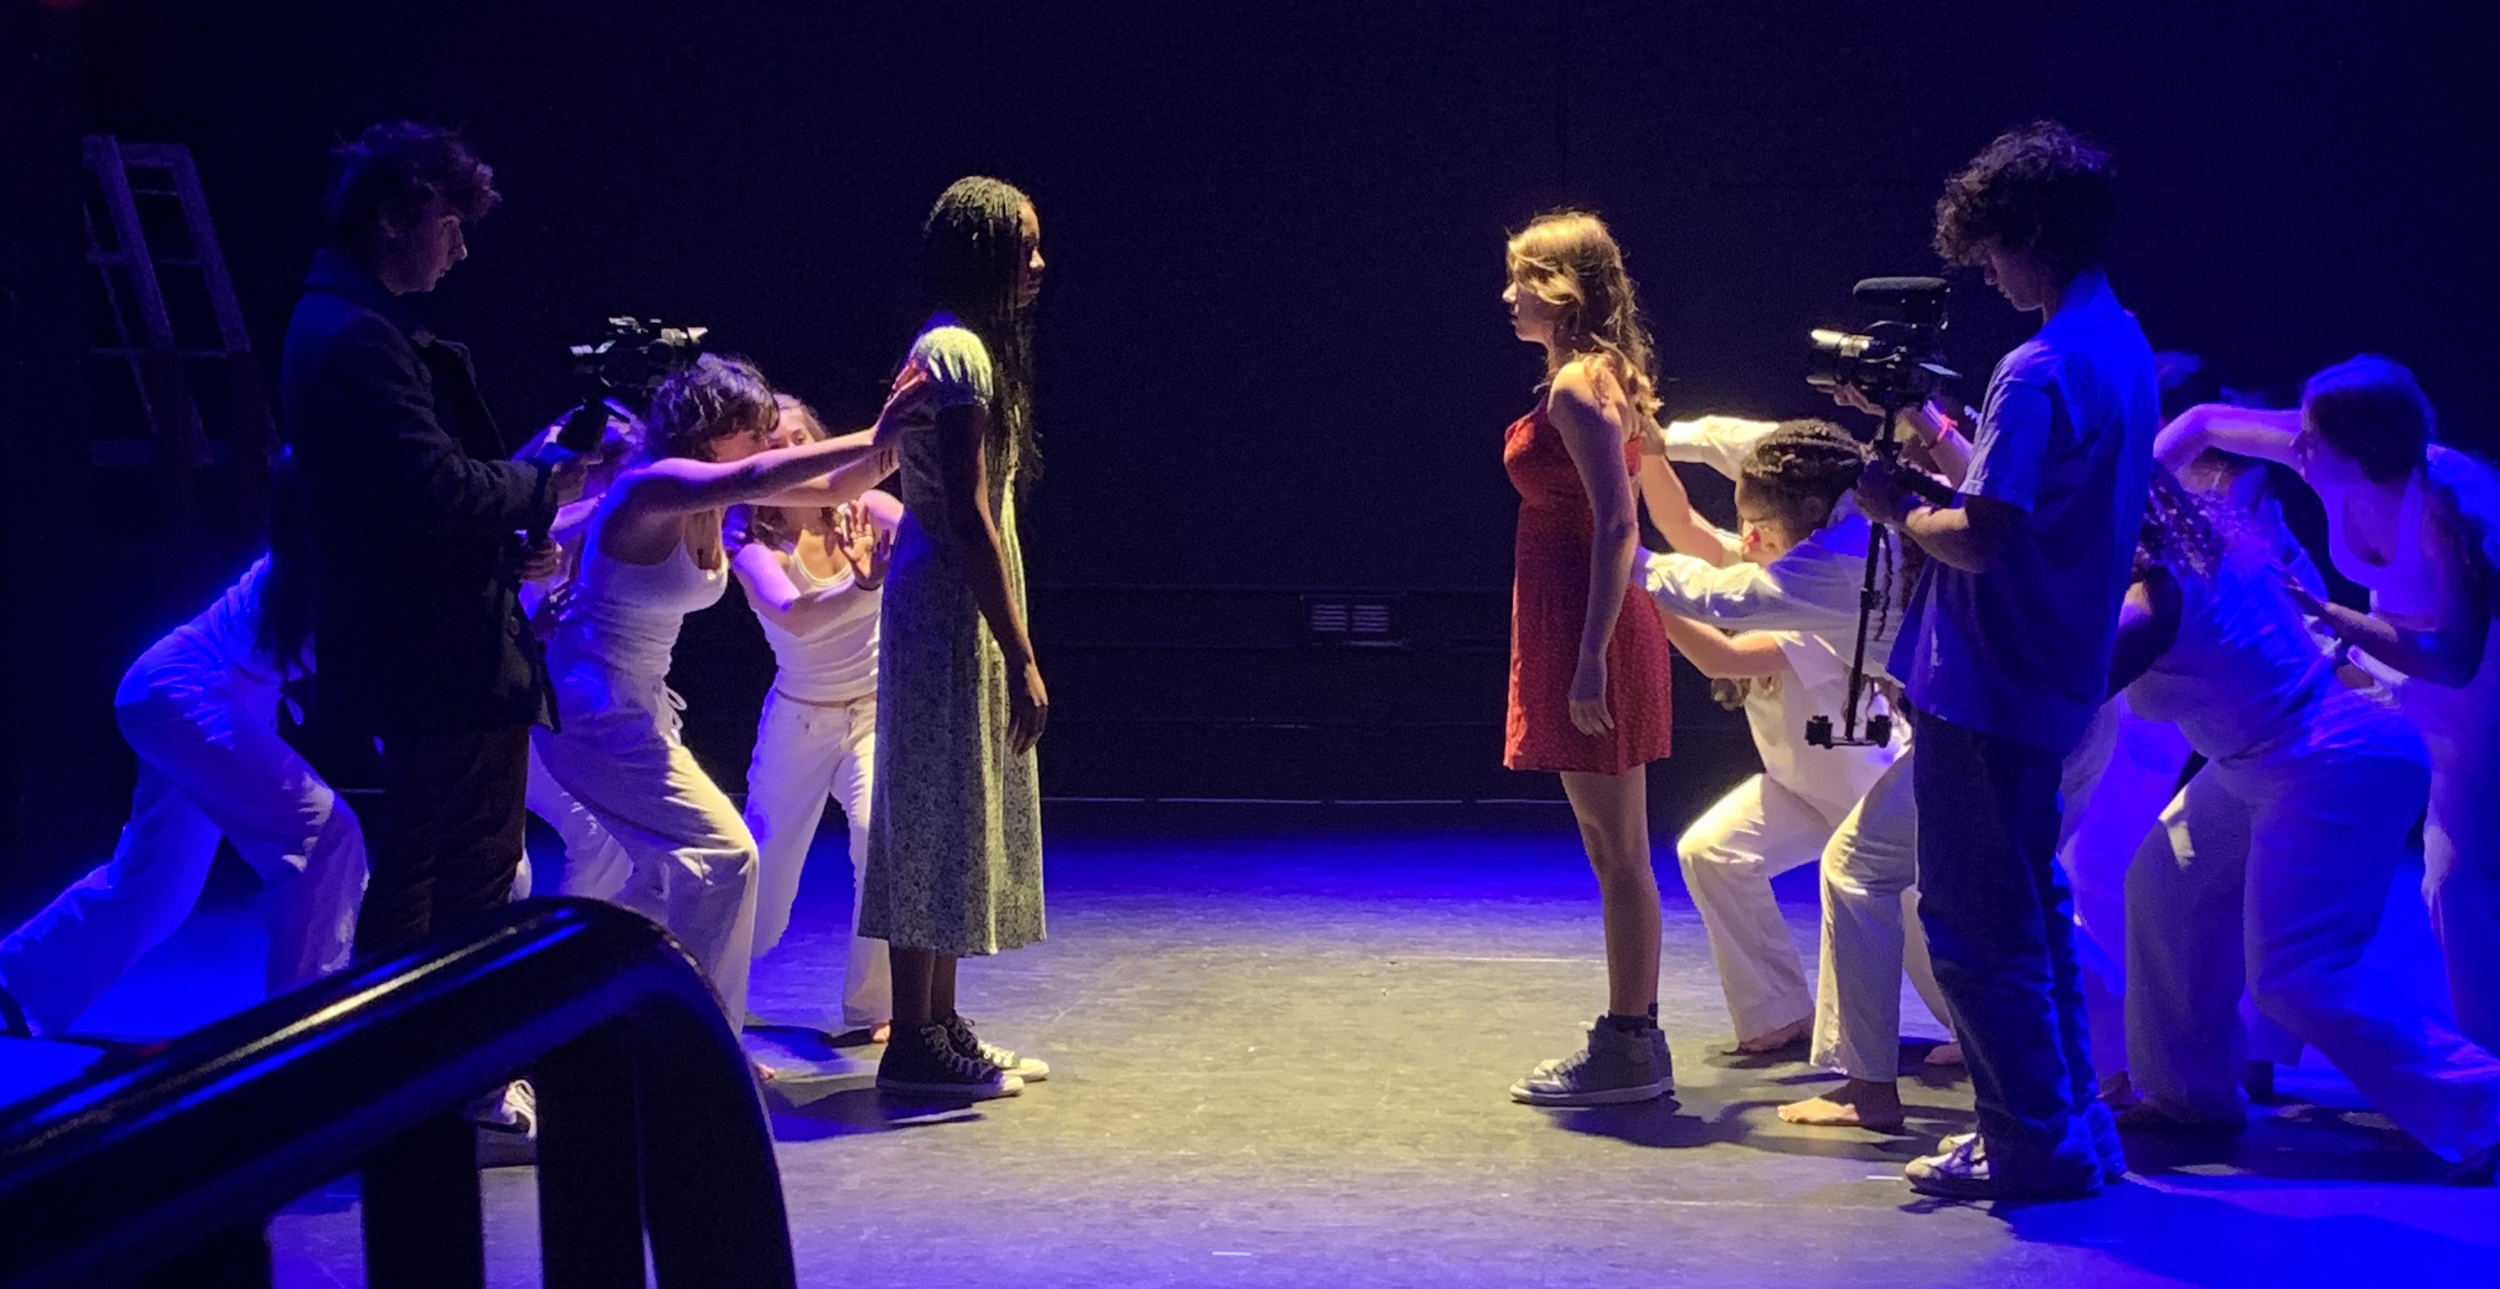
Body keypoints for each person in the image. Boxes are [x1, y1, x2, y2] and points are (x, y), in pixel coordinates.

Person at [1850, 121, 2158, 1198]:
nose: (1987, 271)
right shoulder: (2121, 347)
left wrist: (1895, 506)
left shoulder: (2037, 368)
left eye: (1990, 250)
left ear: (2030, 230)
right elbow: (2029, 512)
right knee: (2033, 913)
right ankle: (2070, 1125)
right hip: (2050, 675)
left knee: (1977, 927)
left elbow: (1980, 537)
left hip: (1985, 681)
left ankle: (2029, 1141)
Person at [2111, 471, 2500, 1182]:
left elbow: (2077, 684)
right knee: (2167, 882)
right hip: (2264, 757)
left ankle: (2486, 1105)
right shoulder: (2198, 544)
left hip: (2330, 755)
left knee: (2299, 974)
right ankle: (2188, 1094)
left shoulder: (2158, 590)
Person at [532, 355, 912, 1039]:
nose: (771, 444)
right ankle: (707, 1046)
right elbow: (757, 477)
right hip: (592, 704)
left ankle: (576, 1001)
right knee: (728, 858)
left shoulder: (713, 497)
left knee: (662, 879)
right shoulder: (656, 484)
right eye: (757, 430)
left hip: (636, 703)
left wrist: (899, 435)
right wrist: (883, 428)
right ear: (714, 432)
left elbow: (829, 481)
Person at [278, 121, 584, 970]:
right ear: (392, 215)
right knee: (471, 879)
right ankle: (462, 1087)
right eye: (449, 225)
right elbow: (433, 489)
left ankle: (406, 1076)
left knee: (415, 865)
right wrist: (545, 484)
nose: (458, 251)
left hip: (415, 654)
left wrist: (502, 535)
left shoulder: (337, 321)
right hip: (442, 663)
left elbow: (408, 501)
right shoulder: (359, 337)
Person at [2157, 356, 2500, 1056]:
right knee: (2284, 814)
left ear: (2361, 450)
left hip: (2474, 696)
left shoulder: (2445, 507)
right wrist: (2136, 502)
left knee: (2455, 881)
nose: (2297, 448)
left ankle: (2482, 1076)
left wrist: (2328, 613)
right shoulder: (2329, 452)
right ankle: (2257, 1051)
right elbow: (2200, 424)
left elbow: (2453, 658)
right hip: (2389, 667)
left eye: (2313, 441)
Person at [1633, 416, 1955, 1130]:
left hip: (1859, 776)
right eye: (1741, 526)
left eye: (1757, 523)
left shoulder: (1817, 591)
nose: (1743, 538)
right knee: (1713, 850)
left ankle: (1940, 1041)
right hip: (1800, 784)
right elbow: (1683, 524)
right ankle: (1778, 1015)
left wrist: (1632, 578)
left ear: (1804, 518)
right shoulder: (1792, 563)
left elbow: (1726, 651)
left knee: (1905, 902)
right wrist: (1649, 447)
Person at [0, 463, 363, 1037]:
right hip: (185, 693)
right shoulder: (324, 559)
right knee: (323, 835)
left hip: (191, 698)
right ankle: (304, 1036)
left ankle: (13, 986)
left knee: (154, 889)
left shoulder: (325, 555)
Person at [859, 177, 1054, 1101]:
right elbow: (970, 514)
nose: (1040, 265)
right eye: (1027, 247)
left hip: (950, 597)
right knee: (933, 800)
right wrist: (1019, 651)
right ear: (986, 251)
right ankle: (915, 1039)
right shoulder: (956, 350)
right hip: (946, 598)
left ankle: (937, 1019)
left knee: (953, 797)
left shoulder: (962, 349)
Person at [1492, 211, 1678, 1107]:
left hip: (1587, 624)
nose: (1509, 296)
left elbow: (1619, 521)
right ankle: (1635, 1033)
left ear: (1561, 287)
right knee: (1619, 849)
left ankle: (1630, 1044)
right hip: (1582, 621)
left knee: (1619, 851)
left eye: (1522, 279)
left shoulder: (1577, 384)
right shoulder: (1606, 375)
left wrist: (1592, 656)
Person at [730, 394, 901, 1041]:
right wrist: (858, 587)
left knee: (878, 834)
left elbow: (930, 535)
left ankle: (872, 1005)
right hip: (798, 724)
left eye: (803, 439)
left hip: (872, 715)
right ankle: (707, 983)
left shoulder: (864, 511)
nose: (794, 454)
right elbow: (793, 613)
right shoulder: (747, 539)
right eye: (777, 447)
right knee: (761, 890)